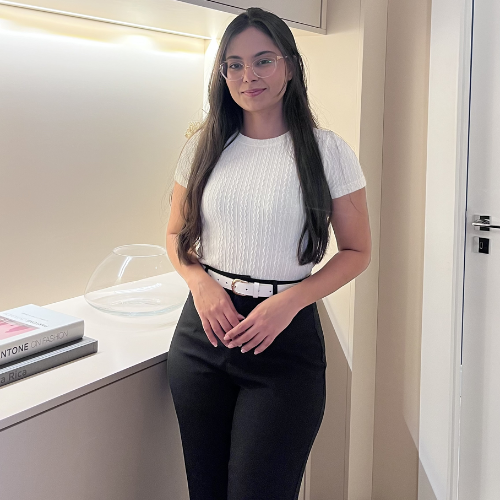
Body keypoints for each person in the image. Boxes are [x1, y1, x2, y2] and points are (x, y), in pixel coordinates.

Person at [165, 7, 371, 500]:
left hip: (283, 341)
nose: (247, 76)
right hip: (203, 336)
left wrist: (289, 302)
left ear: (290, 67)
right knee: (205, 491)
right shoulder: (203, 147)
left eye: (263, 60)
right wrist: (200, 284)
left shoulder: (327, 151)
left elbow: (358, 251)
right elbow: (175, 235)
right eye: (234, 64)